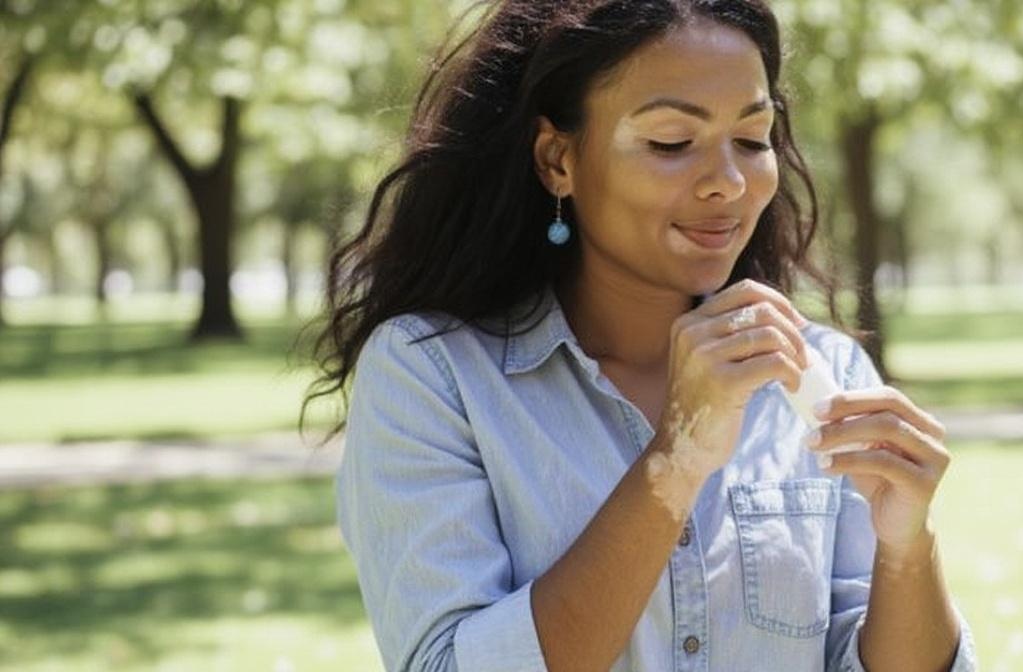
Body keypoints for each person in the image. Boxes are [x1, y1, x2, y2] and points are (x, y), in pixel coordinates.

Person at [307, 1, 978, 670]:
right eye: (671, 143)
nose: (730, 181)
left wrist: (906, 545)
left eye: (751, 139)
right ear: (557, 160)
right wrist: (675, 461)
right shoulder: (433, 375)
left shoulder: (825, 372)